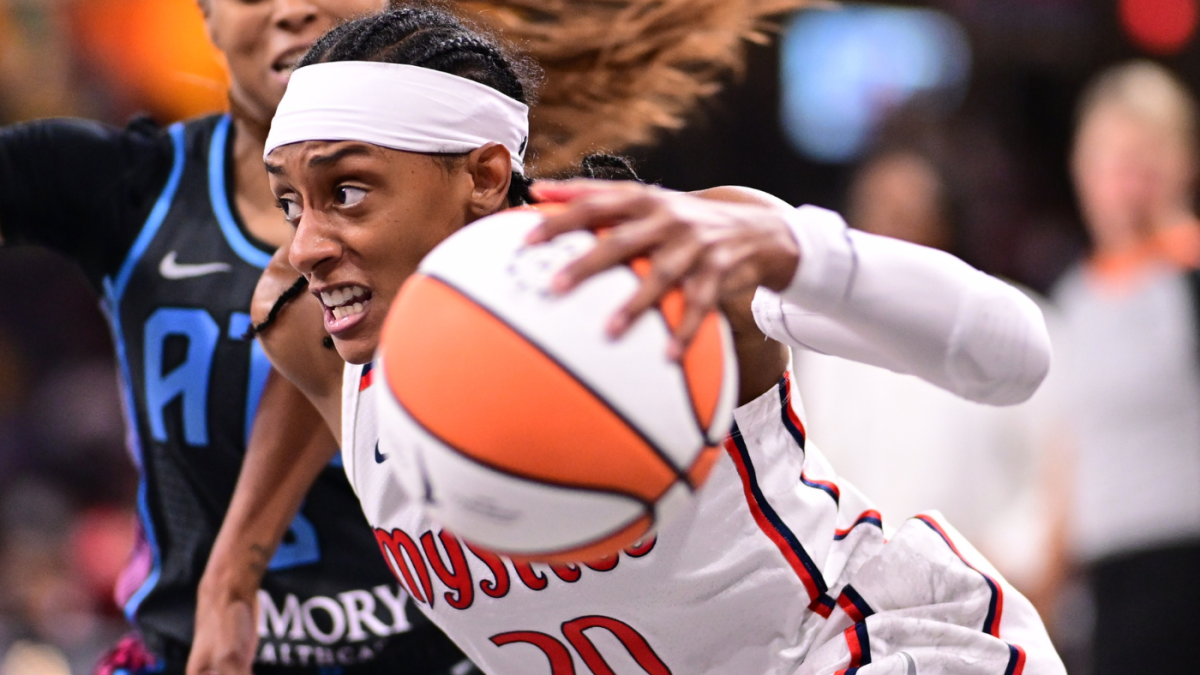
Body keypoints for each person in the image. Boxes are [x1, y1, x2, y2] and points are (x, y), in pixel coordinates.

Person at [254, 7, 1066, 672]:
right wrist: (227, 585)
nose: (306, 244)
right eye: (291, 203)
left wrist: (797, 251)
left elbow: (1015, 355)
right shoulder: (308, 332)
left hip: (864, 650)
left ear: (484, 175)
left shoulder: (664, 263)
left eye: (348, 191)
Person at [0, 1, 485, 672]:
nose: (292, 8)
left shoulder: (485, 198)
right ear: (207, 18)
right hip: (192, 651)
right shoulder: (134, 188)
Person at [794, 148, 1068, 603]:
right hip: (862, 606)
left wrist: (1012, 563)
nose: (891, 228)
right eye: (877, 212)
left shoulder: (1014, 326)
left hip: (995, 594)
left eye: (908, 214)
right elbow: (809, 477)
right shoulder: (819, 345)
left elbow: (1054, 471)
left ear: (943, 223)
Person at [1052, 60, 1200, 674]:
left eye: (1144, 159)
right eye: (1111, 161)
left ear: (1182, 163)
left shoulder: (1189, 276)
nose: (1126, 182)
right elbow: (1065, 447)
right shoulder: (1073, 299)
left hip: (1186, 559)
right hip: (1107, 580)